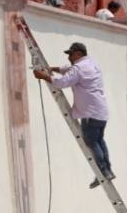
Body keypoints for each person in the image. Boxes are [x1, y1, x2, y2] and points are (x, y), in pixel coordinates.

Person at [32, 42, 113, 188]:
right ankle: (107, 170)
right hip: (100, 111)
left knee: (91, 142)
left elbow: (63, 82)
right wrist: (53, 69)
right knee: (99, 141)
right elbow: (69, 70)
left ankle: (102, 171)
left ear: (78, 54)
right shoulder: (90, 63)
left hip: (90, 113)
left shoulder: (79, 68)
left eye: (71, 54)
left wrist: (43, 76)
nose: (69, 56)